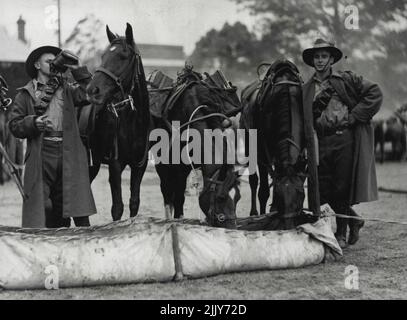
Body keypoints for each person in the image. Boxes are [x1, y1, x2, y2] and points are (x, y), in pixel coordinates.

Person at [302, 38, 383, 248]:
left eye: (324, 56)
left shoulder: (346, 80)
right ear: (312, 61)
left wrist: (355, 115)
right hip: (320, 142)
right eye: (316, 57)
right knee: (322, 189)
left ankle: (341, 233)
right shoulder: (307, 88)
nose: (320, 61)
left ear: (331, 59)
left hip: (344, 138)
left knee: (342, 187)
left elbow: (375, 93)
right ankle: (354, 219)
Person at [8, 45, 97, 228]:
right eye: (49, 61)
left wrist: (77, 69)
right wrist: (33, 123)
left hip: (68, 153)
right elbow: (14, 125)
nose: (53, 64)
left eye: (55, 61)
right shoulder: (25, 95)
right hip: (42, 153)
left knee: (67, 203)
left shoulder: (68, 89)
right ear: (37, 65)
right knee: (42, 205)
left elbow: (92, 93)